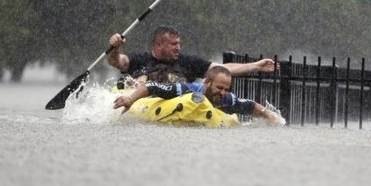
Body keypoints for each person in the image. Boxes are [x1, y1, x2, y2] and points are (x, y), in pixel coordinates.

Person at [113, 65, 285, 126]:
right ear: (207, 83)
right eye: (219, 87)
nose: (223, 92)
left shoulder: (225, 98)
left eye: (226, 89)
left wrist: (269, 115)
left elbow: (249, 105)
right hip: (157, 105)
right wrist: (130, 99)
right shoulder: (186, 89)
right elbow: (152, 86)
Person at [107, 25, 277, 85]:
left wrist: (256, 65)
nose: (178, 48)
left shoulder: (188, 62)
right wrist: (115, 47)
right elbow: (117, 62)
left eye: (179, 43)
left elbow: (222, 69)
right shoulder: (139, 59)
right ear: (158, 45)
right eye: (174, 44)